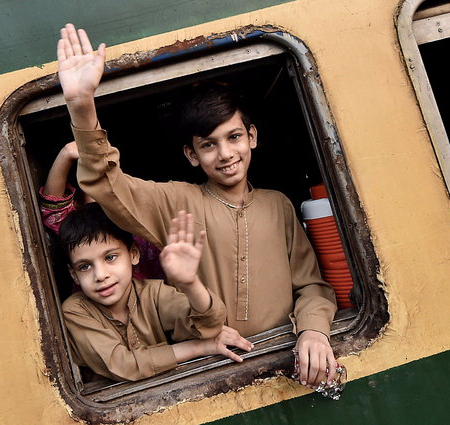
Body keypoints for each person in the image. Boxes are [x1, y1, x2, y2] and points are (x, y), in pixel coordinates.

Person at [57, 24, 338, 388]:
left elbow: (312, 287)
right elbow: (107, 184)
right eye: (208, 145)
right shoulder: (177, 202)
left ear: (251, 137)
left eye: (234, 137)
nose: (225, 154)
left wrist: (314, 332)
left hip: (290, 361)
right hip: (211, 377)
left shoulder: (278, 206)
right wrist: (82, 109)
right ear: (191, 154)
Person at [60, 203, 253, 381]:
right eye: (85, 267)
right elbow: (121, 365)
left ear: (134, 254)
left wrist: (190, 283)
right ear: (73, 275)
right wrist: (198, 347)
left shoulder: (154, 293)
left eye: (110, 257)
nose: (100, 275)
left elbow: (208, 322)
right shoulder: (75, 311)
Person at [38, 140, 165, 280]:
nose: (102, 197)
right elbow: (53, 209)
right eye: (92, 189)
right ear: (78, 202)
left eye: (107, 189)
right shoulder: (78, 229)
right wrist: (66, 153)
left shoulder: (142, 230)